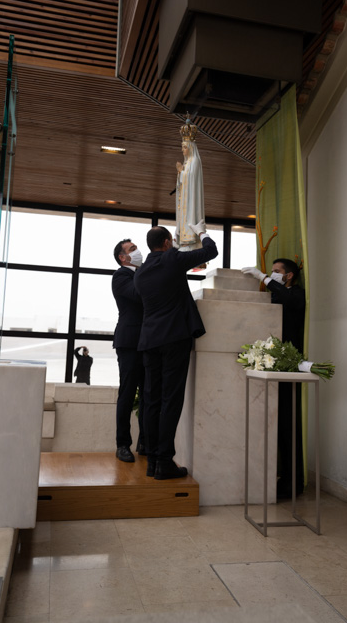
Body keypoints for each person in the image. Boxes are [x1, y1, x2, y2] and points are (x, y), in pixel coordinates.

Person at [134, 222, 218, 480]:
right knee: (171, 400)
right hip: (174, 338)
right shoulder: (172, 259)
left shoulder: (140, 272)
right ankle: (164, 462)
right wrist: (202, 232)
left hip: (149, 341)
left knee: (151, 401)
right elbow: (211, 251)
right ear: (167, 242)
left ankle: (151, 461)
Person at [242, 259, 305, 498]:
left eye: (277, 272)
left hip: (291, 366)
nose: (272, 274)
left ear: (289, 276)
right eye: (270, 271)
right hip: (274, 364)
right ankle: (279, 476)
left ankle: (293, 481)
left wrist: (263, 278)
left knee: (289, 423)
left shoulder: (296, 294)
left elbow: (289, 301)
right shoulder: (276, 295)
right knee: (276, 424)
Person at [112, 239, 146, 463]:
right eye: (132, 249)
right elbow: (138, 294)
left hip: (148, 341)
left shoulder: (141, 273)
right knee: (127, 393)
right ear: (122, 258)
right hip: (129, 342)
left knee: (148, 394)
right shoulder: (121, 276)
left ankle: (145, 442)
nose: (138, 251)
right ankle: (123, 444)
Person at [175, 119, 205, 251]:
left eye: (185, 147)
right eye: (182, 147)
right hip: (185, 198)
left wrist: (181, 172)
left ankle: (191, 237)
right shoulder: (187, 162)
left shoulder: (195, 161)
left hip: (191, 197)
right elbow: (182, 182)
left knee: (190, 215)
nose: (182, 150)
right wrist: (180, 173)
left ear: (191, 148)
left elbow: (191, 179)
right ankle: (183, 239)